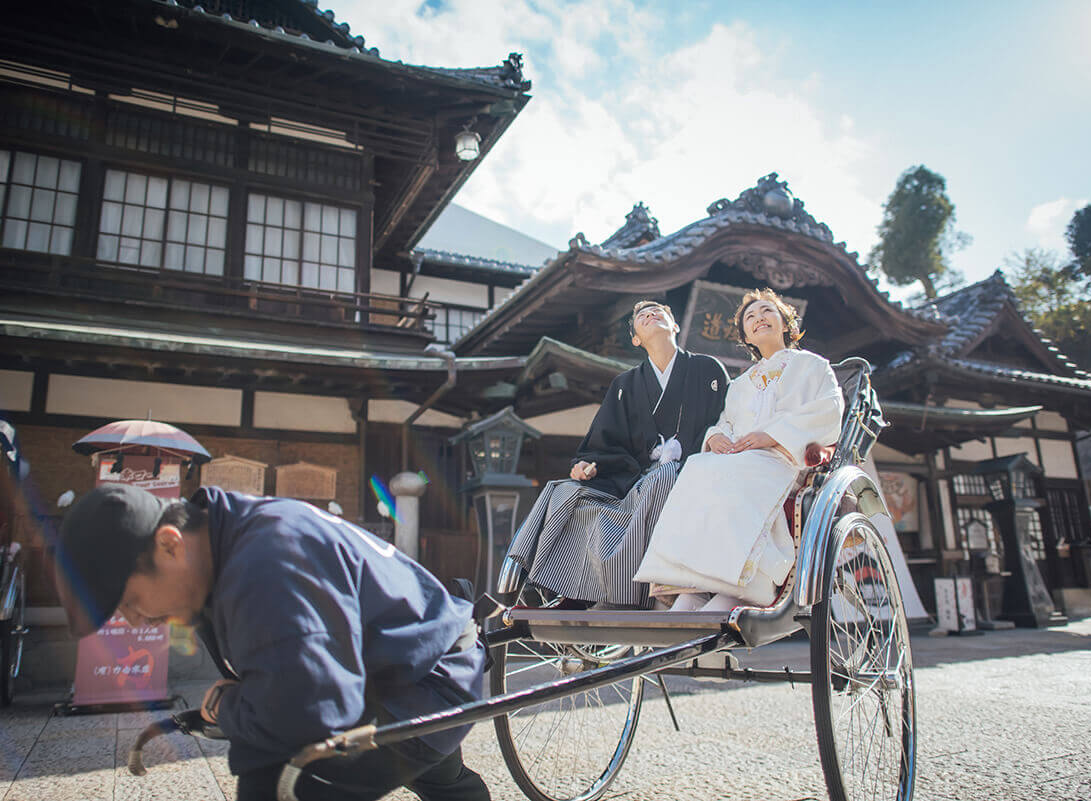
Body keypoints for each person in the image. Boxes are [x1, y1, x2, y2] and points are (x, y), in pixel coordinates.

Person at [54, 483, 490, 801]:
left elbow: (310, 716)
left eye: (130, 601)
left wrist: (228, 709)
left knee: (283, 779)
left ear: (169, 545)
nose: (134, 619)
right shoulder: (224, 535)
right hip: (394, 661)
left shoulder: (267, 561)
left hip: (429, 679)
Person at [504, 300, 729, 607]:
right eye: (641, 316)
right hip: (632, 478)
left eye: (658, 311)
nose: (650, 315)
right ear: (636, 338)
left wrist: (708, 441)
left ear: (675, 325)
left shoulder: (707, 369)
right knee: (565, 492)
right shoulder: (625, 384)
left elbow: (726, 420)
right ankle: (552, 584)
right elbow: (604, 442)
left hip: (690, 474)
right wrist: (588, 464)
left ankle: (622, 593)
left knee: (661, 478)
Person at [634, 289, 844, 611]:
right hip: (740, 458)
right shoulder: (742, 382)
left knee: (739, 474)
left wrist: (772, 435)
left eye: (767, 312)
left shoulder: (812, 366)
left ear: (785, 323)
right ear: (746, 335)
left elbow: (827, 410)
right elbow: (727, 422)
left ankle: (742, 585)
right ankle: (694, 583)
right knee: (699, 468)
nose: (759, 318)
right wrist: (715, 437)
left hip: (783, 458)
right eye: (750, 316)